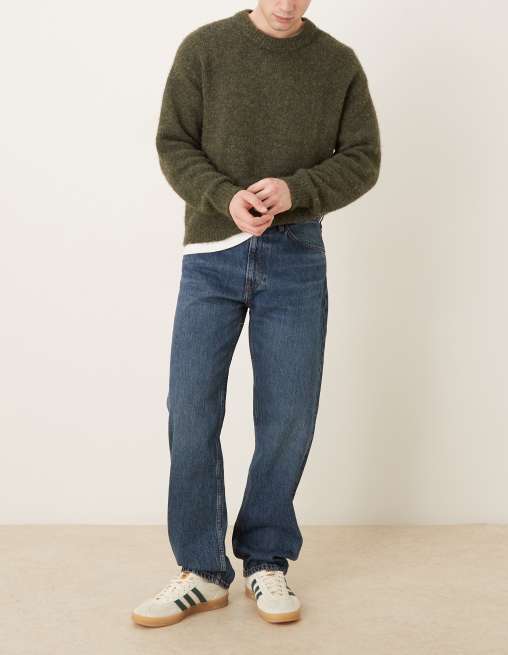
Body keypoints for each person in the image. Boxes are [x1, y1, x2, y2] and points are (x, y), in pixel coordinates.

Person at [132, 0, 380, 627]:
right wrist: (224, 196)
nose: (287, 4)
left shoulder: (337, 64)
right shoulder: (205, 49)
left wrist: (298, 189)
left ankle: (266, 561)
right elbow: (174, 143)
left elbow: (362, 157)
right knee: (191, 410)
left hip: (296, 258)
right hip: (211, 255)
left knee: (288, 416)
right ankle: (201, 571)